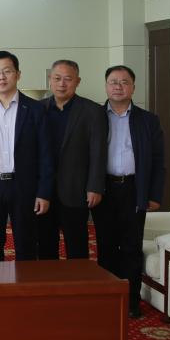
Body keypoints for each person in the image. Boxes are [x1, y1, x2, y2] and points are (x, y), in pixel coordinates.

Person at [92, 65, 164, 319]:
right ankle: (108, 297)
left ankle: (132, 300)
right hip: (103, 188)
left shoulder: (148, 120)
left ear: (133, 87)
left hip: (134, 188)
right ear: (106, 86)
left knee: (131, 247)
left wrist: (154, 194)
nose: (118, 87)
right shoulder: (95, 116)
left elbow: (158, 160)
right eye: (113, 82)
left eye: (124, 82)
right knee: (106, 245)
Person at [0, 50, 54, 261]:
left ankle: (27, 283)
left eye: (7, 71)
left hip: (24, 185)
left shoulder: (35, 109)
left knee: (27, 244)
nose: (1, 77)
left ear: (18, 74)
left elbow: (46, 154)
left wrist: (44, 192)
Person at [36, 60, 107, 260]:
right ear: (50, 80)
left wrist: (95, 186)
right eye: (57, 78)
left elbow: (98, 152)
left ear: (78, 81)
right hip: (43, 191)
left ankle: (78, 281)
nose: (62, 83)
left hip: (76, 189)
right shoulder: (38, 109)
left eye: (68, 79)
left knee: (77, 247)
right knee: (45, 246)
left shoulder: (92, 111)